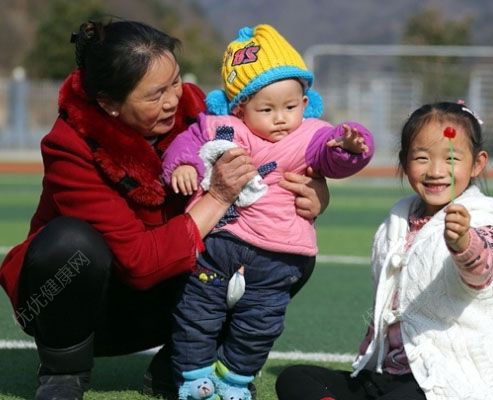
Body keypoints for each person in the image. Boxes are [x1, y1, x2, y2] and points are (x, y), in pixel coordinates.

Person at [0, 19, 329, 400]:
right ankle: (63, 371)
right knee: (68, 243)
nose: (174, 98)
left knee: (282, 251)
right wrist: (219, 197)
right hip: (93, 307)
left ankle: (185, 365)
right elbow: (139, 262)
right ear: (109, 103)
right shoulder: (70, 145)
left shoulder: (203, 115)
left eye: (174, 81)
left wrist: (316, 193)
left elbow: (279, 153)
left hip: (182, 293)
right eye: (156, 94)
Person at [160, 24, 374, 400]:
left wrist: (350, 145)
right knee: (196, 313)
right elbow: (188, 144)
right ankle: (193, 377)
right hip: (219, 247)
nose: (280, 118)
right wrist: (182, 166)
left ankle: (234, 380)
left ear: (305, 104)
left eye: (290, 107)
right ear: (240, 106)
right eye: (267, 109)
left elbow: (333, 154)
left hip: (278, 257)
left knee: (259, 325)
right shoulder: (223, 128)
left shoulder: (309, 136)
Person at [276, 101, 493, 400]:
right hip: (387, 375)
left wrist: (464, 244)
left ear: (478, 163)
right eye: (422, 157)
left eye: (452, 158)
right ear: (404, 162)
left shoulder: (485, 214)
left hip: (449, 377)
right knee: (296, 378)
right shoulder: (398, 219)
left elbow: (486, 266)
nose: (435, 171)